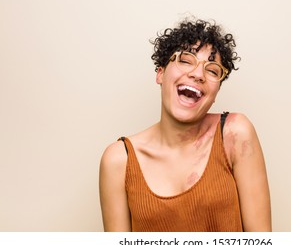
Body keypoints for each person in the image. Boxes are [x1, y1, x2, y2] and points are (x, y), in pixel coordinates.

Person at [99, 18, 271, 232]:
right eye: (186, 60)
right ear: (160, 73)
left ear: (215, 93)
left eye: (212, 71)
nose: (198, 74)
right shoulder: (119, 160)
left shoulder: (235, 133)